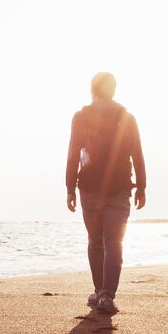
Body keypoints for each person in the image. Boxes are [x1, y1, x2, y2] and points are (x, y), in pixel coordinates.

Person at [65, 71, 146, 315]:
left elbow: (72, 154)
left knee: (95, 241)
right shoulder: (127, 117)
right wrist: (141, 186)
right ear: (113, 90)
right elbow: (137, 154)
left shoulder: (81, 117)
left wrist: (69, 188)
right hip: (120, 188)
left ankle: (99, 291)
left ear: (93, 90)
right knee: (114, 243)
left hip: (89, 188)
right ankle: (106, 296)